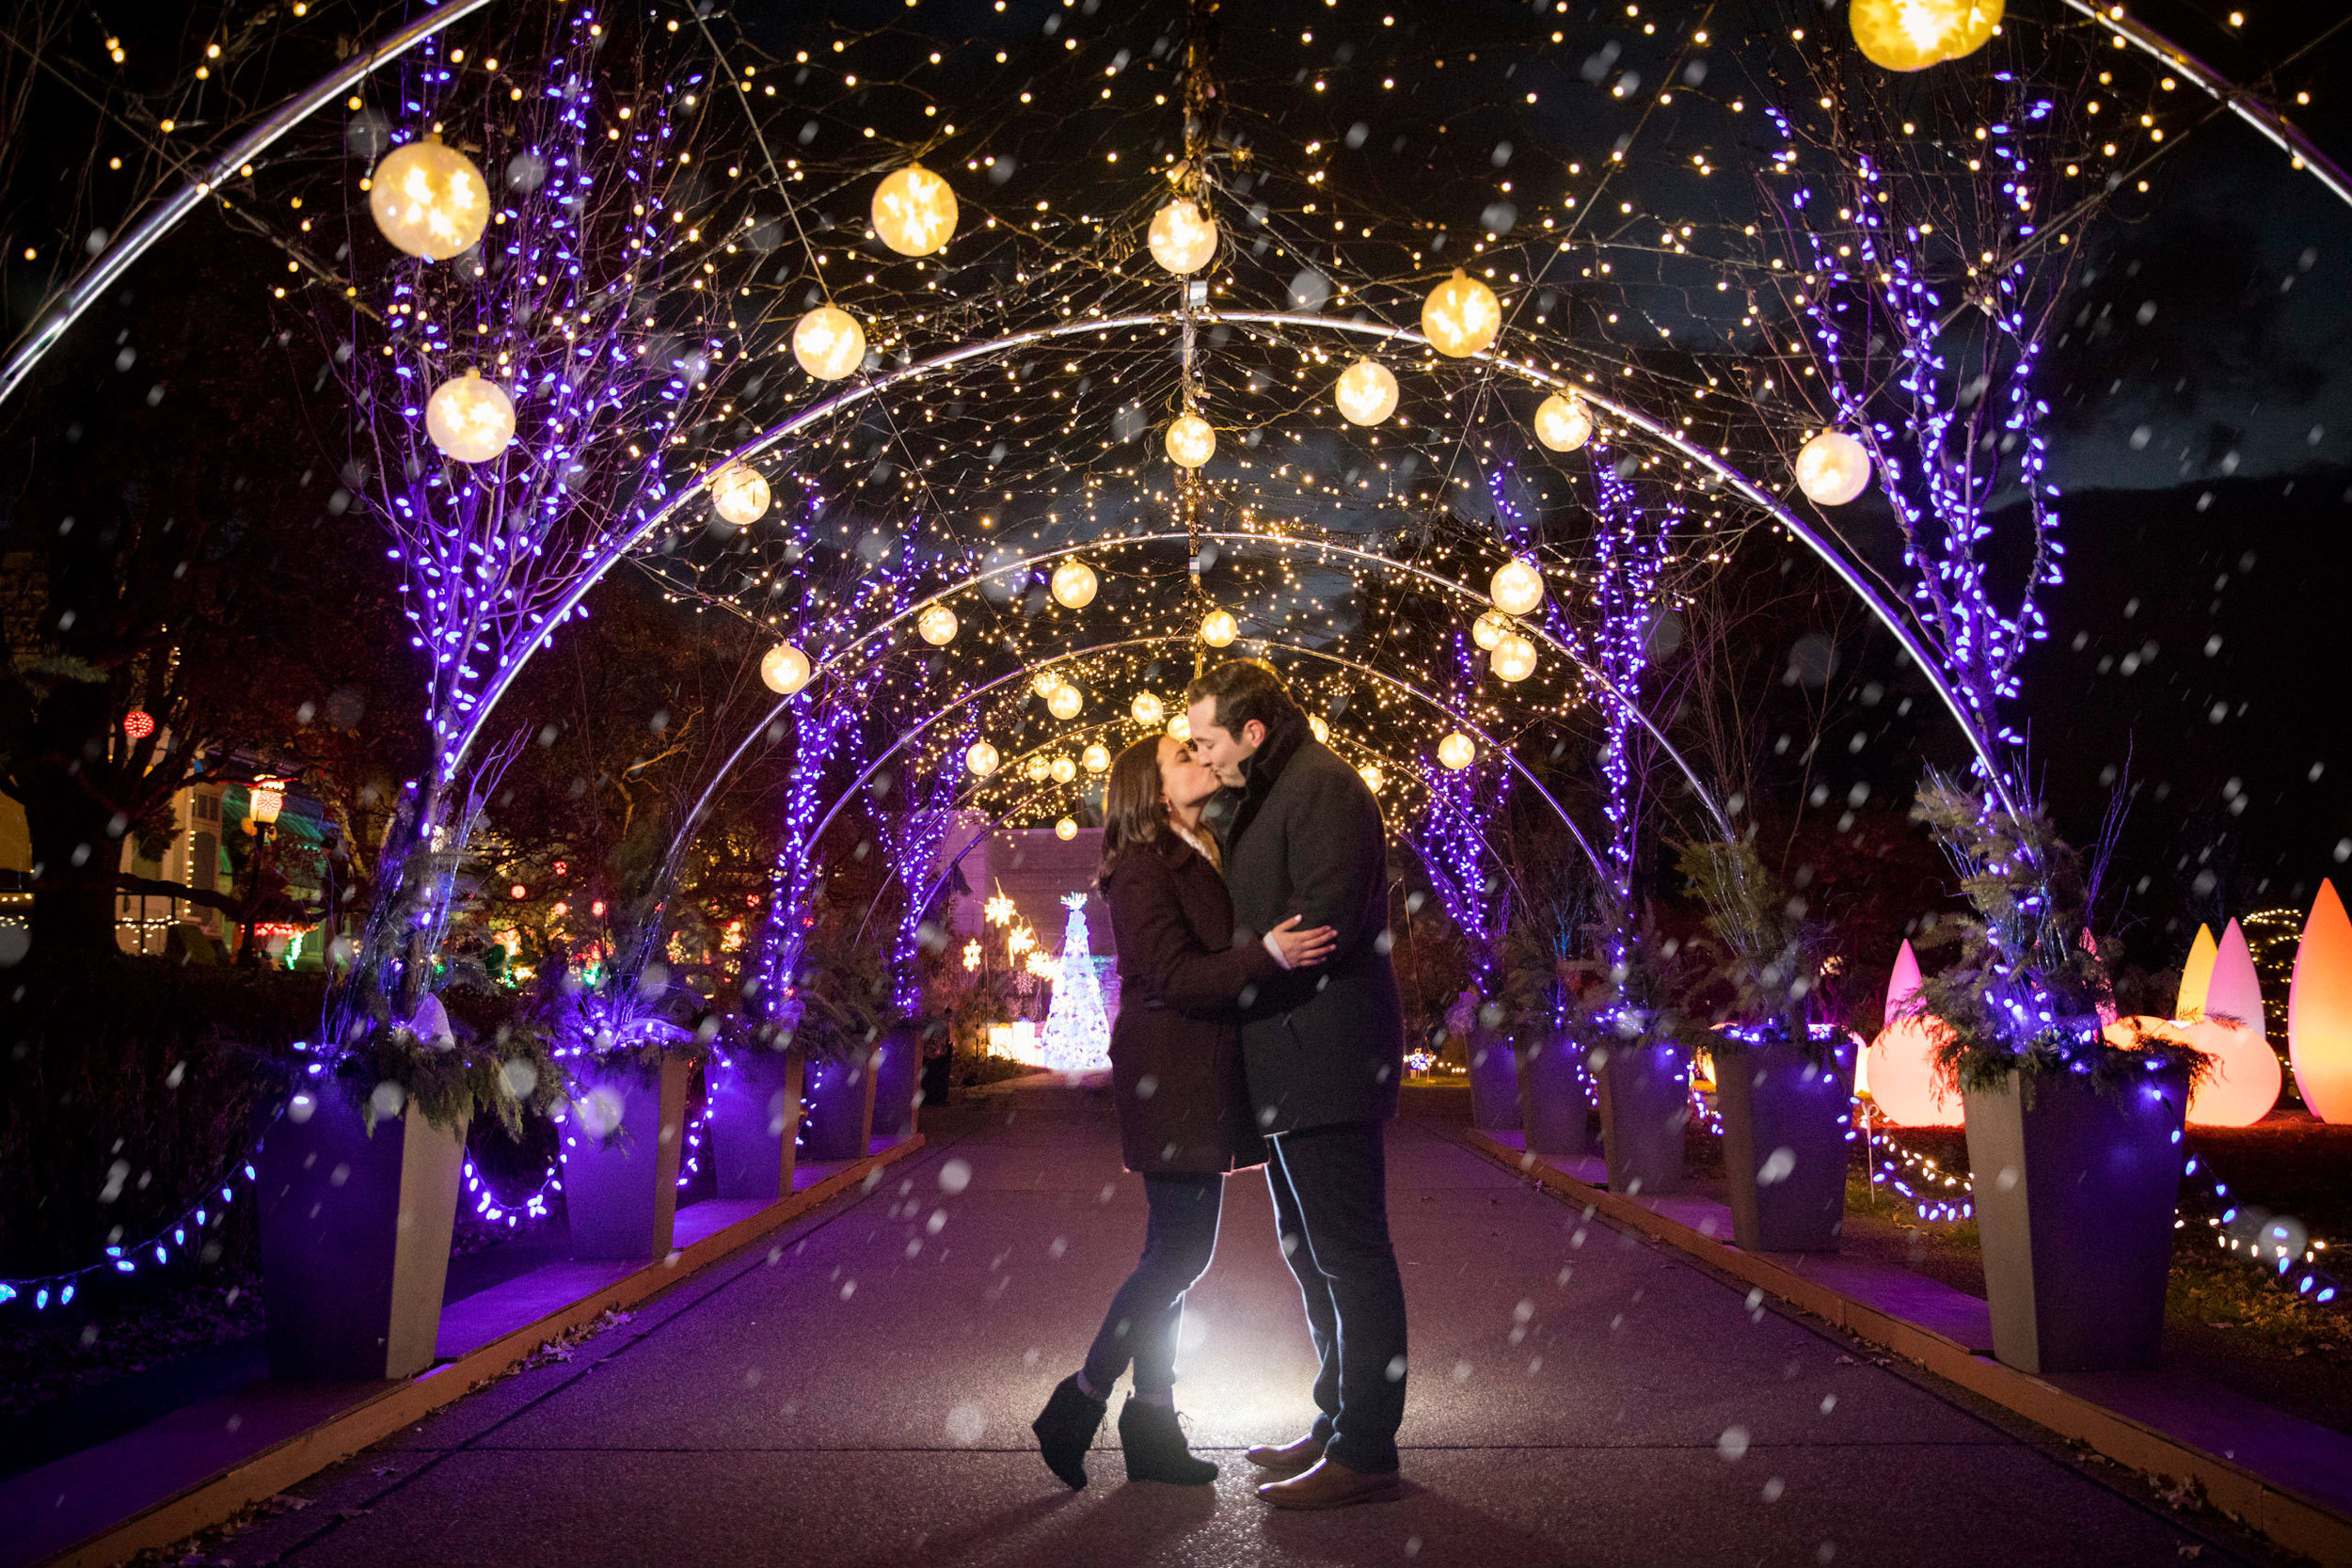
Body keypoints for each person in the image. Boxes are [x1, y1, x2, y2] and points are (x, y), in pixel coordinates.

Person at [1030, 733, 1336, 1490]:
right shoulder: (1140, 867)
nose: (1200, 756)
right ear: (1152, 790)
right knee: (1178, 1255)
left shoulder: (1202, 848)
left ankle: (1153, 1419)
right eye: (1180, 754)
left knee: (1168, 1249)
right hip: (1170, 1072)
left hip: (1194, 1072)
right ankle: (1081, 1397)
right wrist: (1267, 952)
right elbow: (1171, 975)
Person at [1184, 659, 1410, 1512]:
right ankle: (1337, 1421)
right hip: (1290, 1056)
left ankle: (1366, 1448)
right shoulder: (1275, 793)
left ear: (1251, 732)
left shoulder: (1325, 789)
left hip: (1325, 1055)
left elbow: (1321, 926)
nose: (1199, 755)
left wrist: (1241, 966)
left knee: (1350, 1255)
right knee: (1312, 1254)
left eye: (1208, 739)